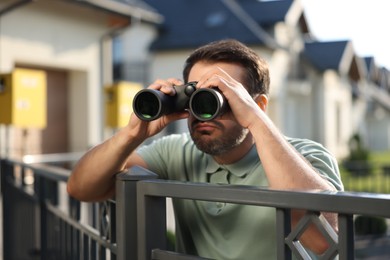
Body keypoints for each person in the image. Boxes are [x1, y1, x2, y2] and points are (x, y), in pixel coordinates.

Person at [67, 39, 343, 259]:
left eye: (217, 98)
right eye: (197, 98)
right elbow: (81, 188)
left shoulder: (307, 155)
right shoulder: (177, 152)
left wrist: (256, 122)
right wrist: (131, 134)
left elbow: (324, 241)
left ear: (258, 106)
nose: (203, 114)